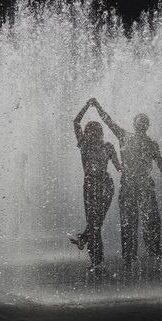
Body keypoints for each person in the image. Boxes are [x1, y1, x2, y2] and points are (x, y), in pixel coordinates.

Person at [90, 98, 162, 269]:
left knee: (152, 219)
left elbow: (160, 165)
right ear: (135, 123)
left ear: (147, 126)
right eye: (140, 121)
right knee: (128, 221)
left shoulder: (152, 145)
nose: (142, 123)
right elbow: (108, 121)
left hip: (145, 184)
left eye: (145, 122)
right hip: (128, 185)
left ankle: (154, 249)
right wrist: (98, 106)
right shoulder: (124, 136)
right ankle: (129, 256)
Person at [70, 99, 122, 271]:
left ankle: (86, 243)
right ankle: (95, 259)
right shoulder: (84, 145)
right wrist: (89, 106)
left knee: (96, 221)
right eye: (89, 131)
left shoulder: (108, 146)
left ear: (100, 133)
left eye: (95, 131)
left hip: (105, 185)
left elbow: (119, 167)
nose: (91, 133)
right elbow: (76, 122)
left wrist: (128, 167)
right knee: (94, 223)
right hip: (91, 185)